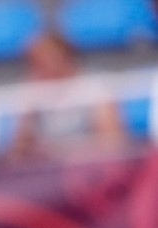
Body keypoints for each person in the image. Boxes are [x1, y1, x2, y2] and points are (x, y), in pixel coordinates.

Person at [9, 31, 127, 161]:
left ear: (64, 57)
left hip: (90, 165)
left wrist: (66, 153)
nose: (40, 67)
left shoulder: (94, 88)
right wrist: (27, 116)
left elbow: (112, 143)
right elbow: (18, 152)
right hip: (47, 168)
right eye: (34, 62)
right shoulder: (31, 92)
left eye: (46, 59)